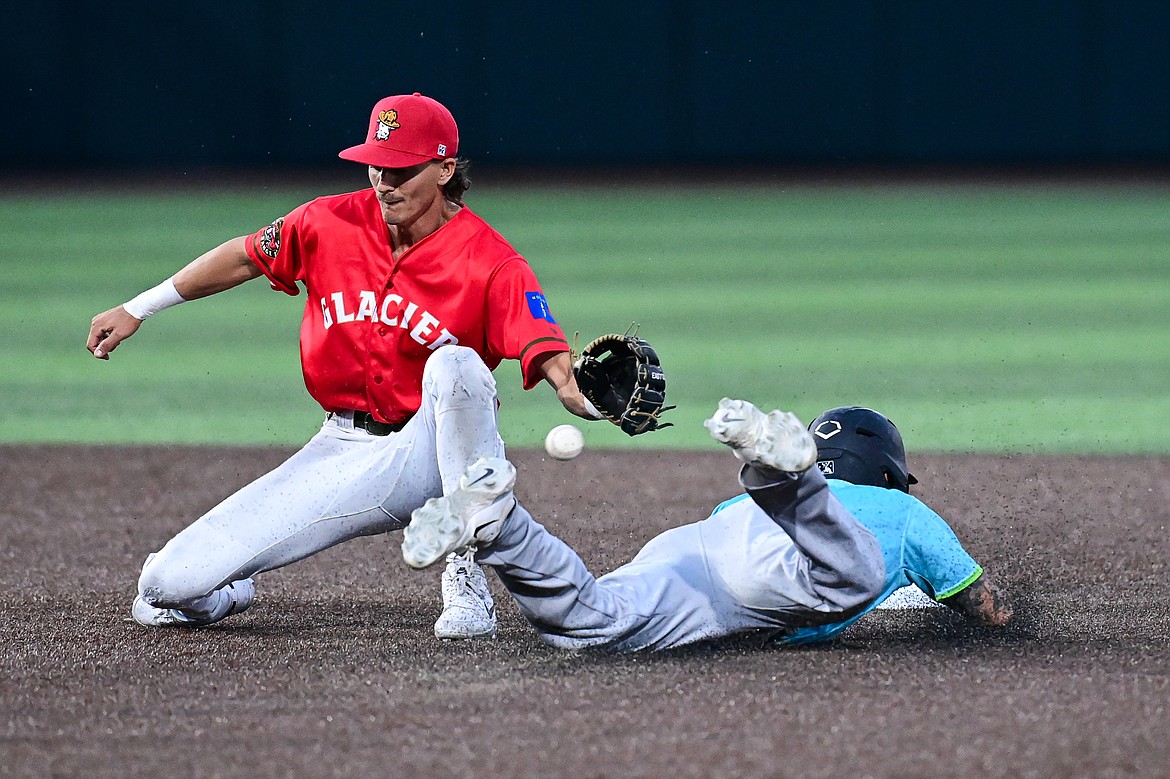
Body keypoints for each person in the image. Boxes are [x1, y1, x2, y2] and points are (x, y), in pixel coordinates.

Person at [86, 92, 597, 639]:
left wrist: (573, 389)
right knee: (164, 587)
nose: (385, 180)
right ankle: (228, 589)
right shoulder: (327, 221)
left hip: (434, 451)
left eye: (403, 168)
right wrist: (139, 307)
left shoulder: (491, 258)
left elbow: (541, 342)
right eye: (377, 164)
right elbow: (243, 256)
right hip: (342, 449)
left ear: (446, 169)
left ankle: (465, 569)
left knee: (457, 366)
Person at [401, 398, 1013, 652]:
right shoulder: (906, 514)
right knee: (854, 577)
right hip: (780, 568)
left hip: (706, 545)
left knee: (590, 621)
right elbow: (986, 611)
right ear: (886, 470)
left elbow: (749, 561)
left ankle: (500, 527)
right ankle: (783, 477)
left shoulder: (735, 513)